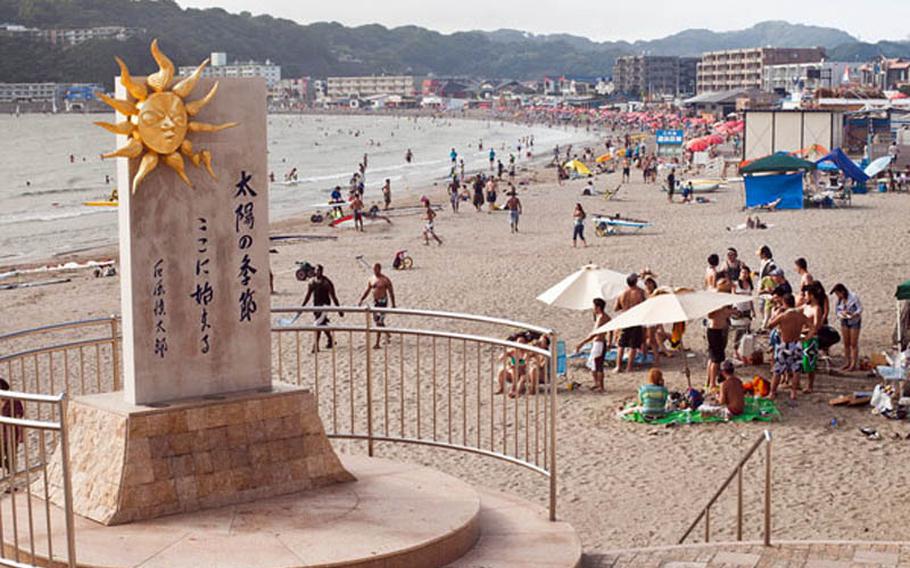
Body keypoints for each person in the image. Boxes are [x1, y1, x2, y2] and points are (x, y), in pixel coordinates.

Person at [768, 294, 811, 402]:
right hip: (796, 343)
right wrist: (806, 338)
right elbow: (813, 327)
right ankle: (793, 392)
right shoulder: (800, 316)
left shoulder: (783, 316)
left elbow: (770, 325)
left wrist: (777, 312)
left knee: (777, 370)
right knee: (796, 370)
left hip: (784, 344)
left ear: (784, 303)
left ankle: (772, 392)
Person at [301, 265, 343, 352]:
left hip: (324, 306)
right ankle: (330, 339)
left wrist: (339, 309)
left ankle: (315, 345)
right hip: (316, 306)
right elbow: (308, 295)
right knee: (322, 324)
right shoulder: (312, 282)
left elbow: (333, 296)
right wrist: (302, 306)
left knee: (317, 324)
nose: (318, 272)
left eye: (320, 271)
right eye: (317, 271)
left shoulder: (326, 282)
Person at [574, 298, 610, 392]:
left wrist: (582, 343)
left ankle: (601, 386)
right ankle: (597, 384)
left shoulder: (602, 317)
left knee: (598, 365)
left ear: (598, 307)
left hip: (599, 342)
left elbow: (595, 333)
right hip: (599, 342)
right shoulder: (602, 316)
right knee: (594, 364)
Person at [613, 274, 646, 373]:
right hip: (635, 320)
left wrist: (625, 305)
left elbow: (615, 308)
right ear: (636, 281)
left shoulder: (622, 293)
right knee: (633, 345)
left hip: (625, 319)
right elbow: (644, 305)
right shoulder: (640, 292)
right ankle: (629, 367)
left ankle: (618, 366)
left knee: (621, 345)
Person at [358, 263, 396, 349]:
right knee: (378, 321)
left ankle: (377, 343)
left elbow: (391, 292)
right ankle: (387, 333)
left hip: (383, 303)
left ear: (380, 269)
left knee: (379, 323)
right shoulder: (372, 279)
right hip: (375, 303)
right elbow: (367, 290)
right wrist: (362, 299)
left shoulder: (385, 280)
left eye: (376, 269)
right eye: (374, 269)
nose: (375, 271)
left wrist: (393, 304)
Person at [831, 283, 862, 371]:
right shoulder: (839, 300)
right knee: (846, 343)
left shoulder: (853, 297)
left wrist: (854, 314)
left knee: (853, 343)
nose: (837, 296)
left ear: (842, 291)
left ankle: (853, 364)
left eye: (838, 293)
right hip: (844, 320)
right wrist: (842, 314)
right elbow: (837, 311)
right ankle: (847, 362)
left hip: (854, 320)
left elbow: (860, 308)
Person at [801, 283, 825, 393]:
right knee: (801, 362)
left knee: (809, 362)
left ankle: (810, 385)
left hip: (811, 337)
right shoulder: (806, 306)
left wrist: (808, 334)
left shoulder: (817, 309)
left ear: (811, 296)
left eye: (806, 295)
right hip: (802, 335)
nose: (805, 297)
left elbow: (817, 326)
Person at [706, 297, 733, 390]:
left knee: (714, 357)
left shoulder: (725, 302)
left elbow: (727, 314)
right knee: (715, 359)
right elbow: (710, 315)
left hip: (721, 330)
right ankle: (712, 383)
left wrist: (730, 311)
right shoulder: (716, 303)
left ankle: (710, 381)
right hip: (715, 331)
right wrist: (721, 309)